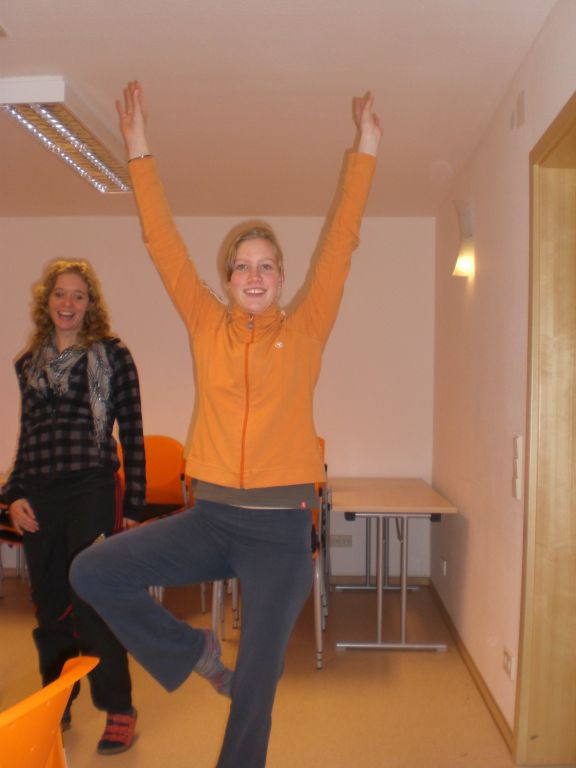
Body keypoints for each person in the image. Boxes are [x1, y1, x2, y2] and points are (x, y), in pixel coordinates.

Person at [71, 80, 381, 768]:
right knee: (93, 570)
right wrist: (138, 148)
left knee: (256, 692)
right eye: (242, 265)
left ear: (282, 277)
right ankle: (197, 652)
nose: (254, 274)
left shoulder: (305, 330)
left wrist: (365, 150)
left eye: (267, 265)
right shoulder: (206, 323)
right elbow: (162, 241)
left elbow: (341, 240)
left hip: (279, 530)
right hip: (210, 516)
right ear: (228, 276)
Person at [2, 259, 146, 755]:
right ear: (47, 302)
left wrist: (136, 504)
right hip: (40, 493)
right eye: (60, 294)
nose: (68, 303)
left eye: (78, 295)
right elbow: (28, 436)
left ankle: (119, 706)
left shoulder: (112, 355)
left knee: (91, 597)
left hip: (91, 486)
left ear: (90, 305)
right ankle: (57, 699)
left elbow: (132, 428)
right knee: (49, 602)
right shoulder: (29, 363)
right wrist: (14, 494)